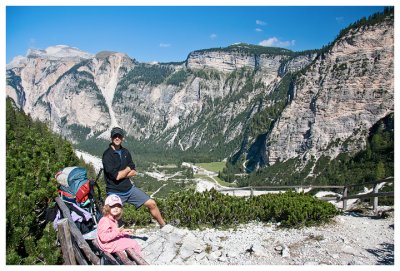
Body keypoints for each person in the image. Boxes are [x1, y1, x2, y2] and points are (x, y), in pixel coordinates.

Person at [102, 127, 166, 227]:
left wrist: (124, 173)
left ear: (122, 138)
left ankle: (164, 226)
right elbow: (117, 176)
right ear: (111, 138)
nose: (117, 138)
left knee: (152, 203)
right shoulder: (107, 155)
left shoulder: (125, 152)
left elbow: (133, 170)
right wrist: (127, 170)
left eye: (119, 136)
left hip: (129, 189)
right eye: (115, 136)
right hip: (115, 191)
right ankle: (110, 236)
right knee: (112, 216)